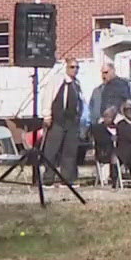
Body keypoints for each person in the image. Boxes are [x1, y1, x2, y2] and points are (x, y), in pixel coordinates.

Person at [39, 56, 84, 187]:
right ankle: (48, 180)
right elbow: (48, 96)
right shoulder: (57, 80)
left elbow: (80, 102)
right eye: (72, 67)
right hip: (57, 120)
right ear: (66, 67)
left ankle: (67, 179)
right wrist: (46, 115)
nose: (75, 70)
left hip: (72, 122)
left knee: (69, 152)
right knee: (51, 151)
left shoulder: (76, 84)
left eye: (77, 67)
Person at [86, 61, 131, 127]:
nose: (104, 76)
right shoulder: (99, 89)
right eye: (102, 73)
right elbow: (92, 107)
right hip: (102, 123)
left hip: (117, 122)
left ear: (113, 71)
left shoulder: (122, 85)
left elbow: (127, 102)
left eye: (106, 72)